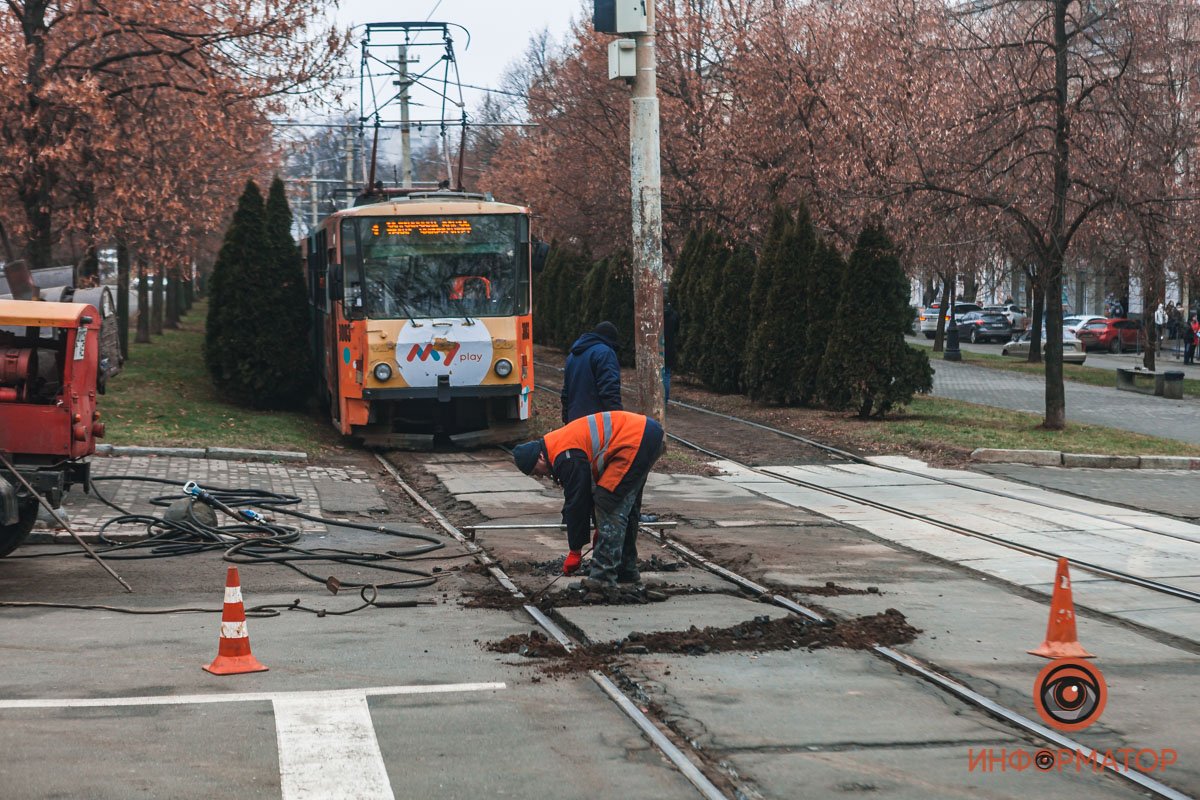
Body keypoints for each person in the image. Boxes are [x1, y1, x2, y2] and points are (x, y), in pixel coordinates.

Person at [512, 411, 665, 588]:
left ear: (540, 456)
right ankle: (625, 570)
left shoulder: (565, 455)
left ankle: (603, 579)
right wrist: (600, 528)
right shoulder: (558, 446)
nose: (542, 475)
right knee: (625, 509)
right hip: (644, 437)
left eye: (537, 471)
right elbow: (587, 489)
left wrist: (575, 551)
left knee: (609, 505)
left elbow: (578, 501)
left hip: (635, 442)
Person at [561, 321, 622, 424]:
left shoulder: (572, 356)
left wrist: (566, 420)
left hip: (574, 422)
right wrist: (618, 420)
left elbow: (565, 393)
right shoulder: (605, 353)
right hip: (596, 424)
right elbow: (609, 390)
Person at [663, 300, 680, 403]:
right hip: (670, 347)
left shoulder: (657, 314)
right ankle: (665, 399)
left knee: (660, 374)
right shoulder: (674, 315)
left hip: (657, 346)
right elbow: (676, 330)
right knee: (667, 374)